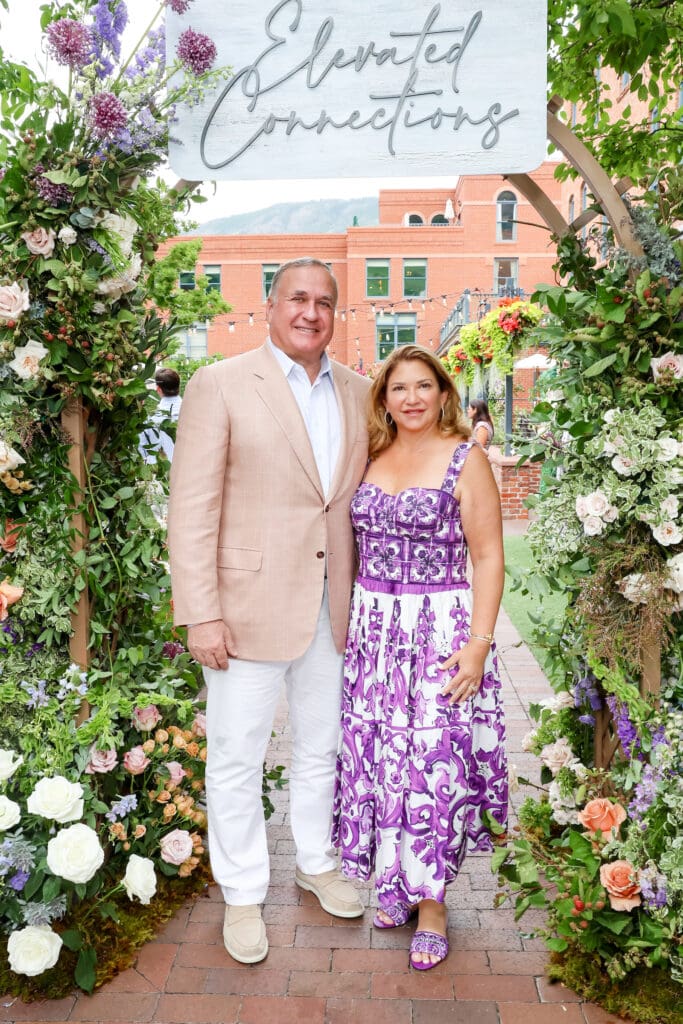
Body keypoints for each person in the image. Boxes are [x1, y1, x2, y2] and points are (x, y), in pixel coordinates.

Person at [167, 258, 371, 965]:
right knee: (234, 757)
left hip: (331, 606)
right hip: (243, 607)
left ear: (334, 312)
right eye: (297, 298)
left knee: (322, 747)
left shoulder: (357, 391)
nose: (310, 312)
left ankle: (316, 863)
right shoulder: (219, 383)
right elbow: (191, 508)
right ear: (269, 305)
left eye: (323, 301)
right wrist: (200, 612)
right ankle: (244, 893)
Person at [333, 345, 507, 970]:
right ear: (383, 398)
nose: (411, 398)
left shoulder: (468, 459)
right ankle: (397, 882)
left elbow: (488, 556)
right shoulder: (370, 456)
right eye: (398, 388)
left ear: (443, 394)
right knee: (385, 761)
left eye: (423, 387)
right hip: (374, 632)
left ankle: (432, 904)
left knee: (434, 763)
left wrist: (478, 645)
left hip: (441, 630)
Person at [139, 367, 183, 464]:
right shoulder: (193, 413)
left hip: (159, 472)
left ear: (158, 389)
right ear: (178, 386)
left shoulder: (151, 420)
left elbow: (142, 449)